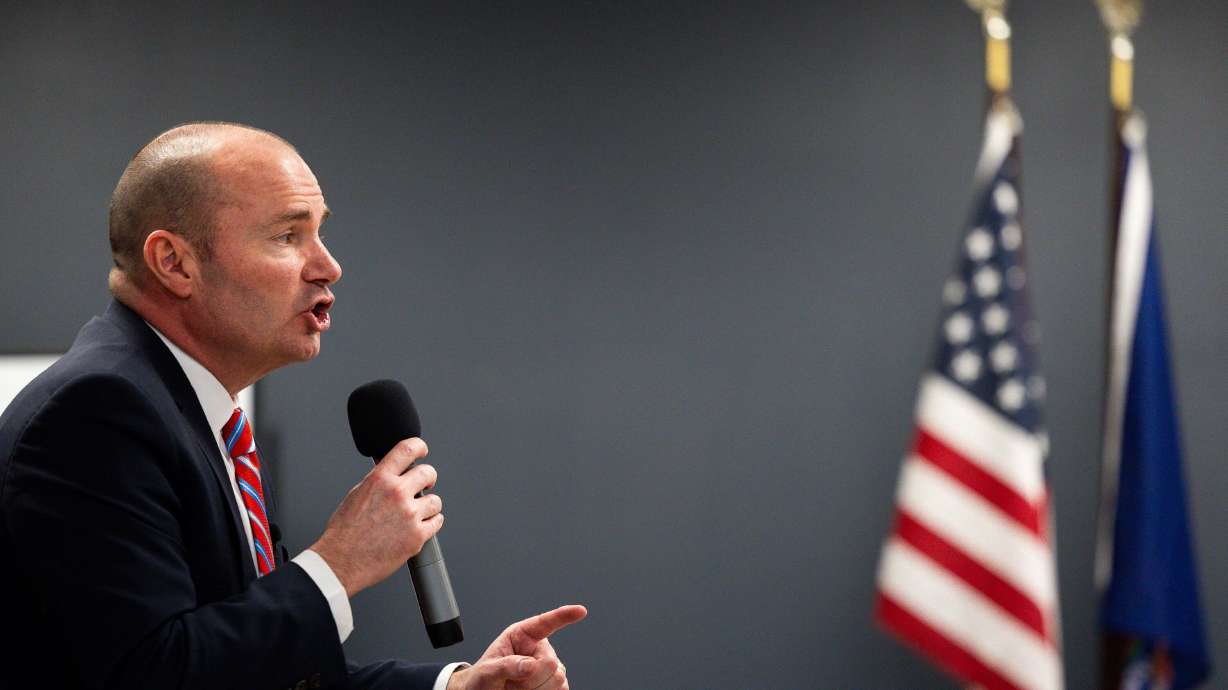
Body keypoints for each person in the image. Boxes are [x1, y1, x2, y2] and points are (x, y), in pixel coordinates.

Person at [0, 122, 585, 690]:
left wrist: (455, 687)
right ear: (174, 263)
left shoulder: (197, 416)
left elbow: (254, 672)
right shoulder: (94, 414)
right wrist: (339, 563)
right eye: (288, 236)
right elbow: (158, 673)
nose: (329, 266)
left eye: (321, 232)